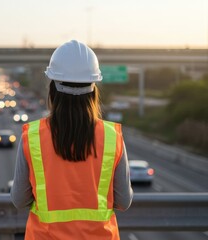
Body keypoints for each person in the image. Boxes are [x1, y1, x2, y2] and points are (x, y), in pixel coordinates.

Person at [10, 40, 133, 240]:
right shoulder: (112, 136)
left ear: (52, 90)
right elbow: (123, 201)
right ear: (93, 90)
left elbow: (19, 200)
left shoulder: (32, 137)